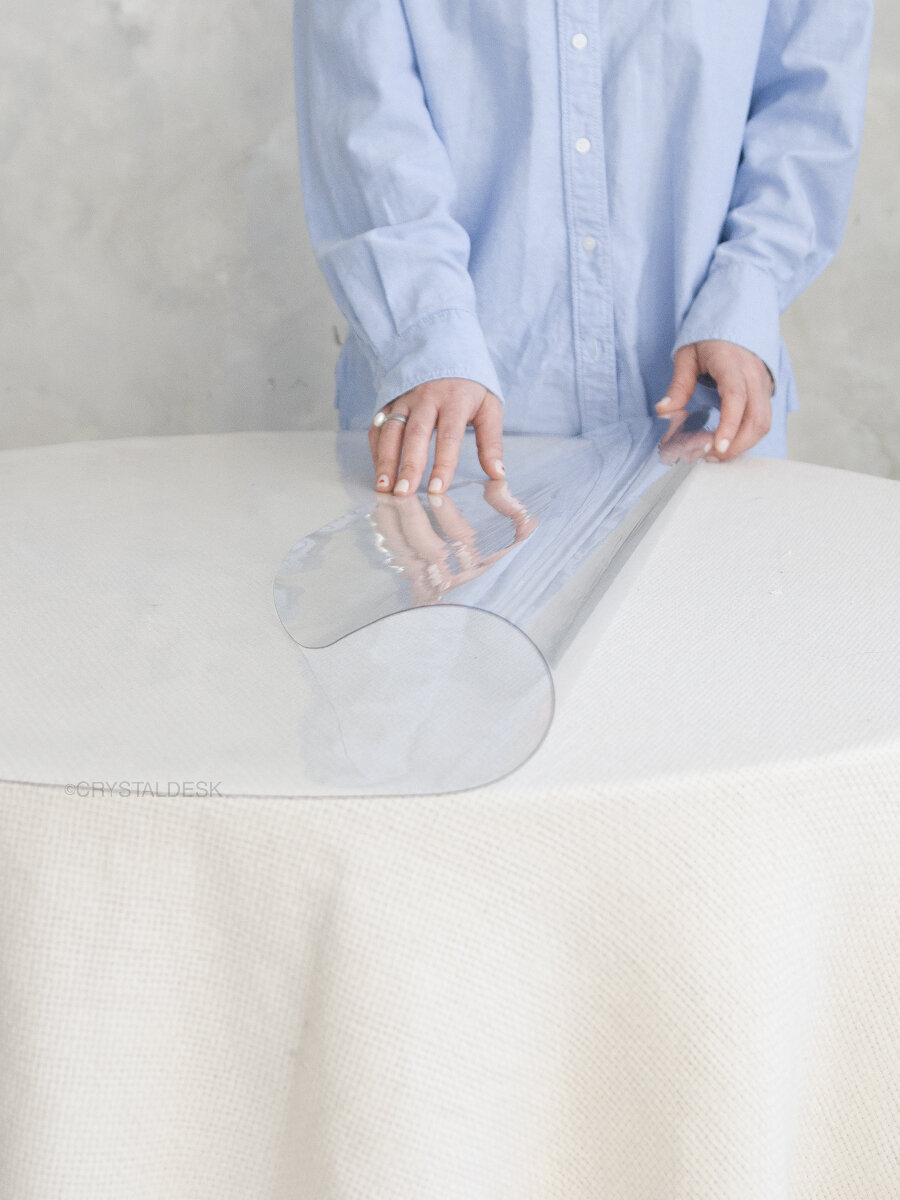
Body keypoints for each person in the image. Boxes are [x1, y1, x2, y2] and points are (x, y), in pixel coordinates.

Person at [292, 1, 873, 497]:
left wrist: (745, 291)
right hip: (452, 417)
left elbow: (811, 107)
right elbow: (365, 120)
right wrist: (427, 333)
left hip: (706, 410)